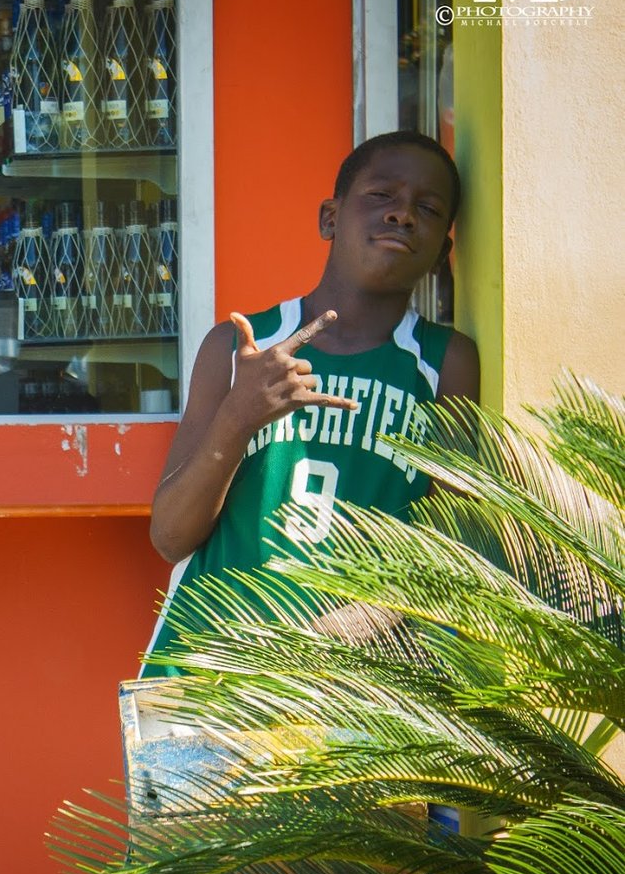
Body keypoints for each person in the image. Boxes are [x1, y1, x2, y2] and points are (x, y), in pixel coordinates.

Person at [143, 130, 480, 671]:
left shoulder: (446, 363)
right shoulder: (238, 346)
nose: (402, 215)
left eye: (428, 207)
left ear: (443, 252)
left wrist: (356, 623)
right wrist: (239, 415)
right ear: (330, 217)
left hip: (357, 685)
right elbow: (170, 535)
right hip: (206, 669)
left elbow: (453, 549)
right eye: (381, 196)